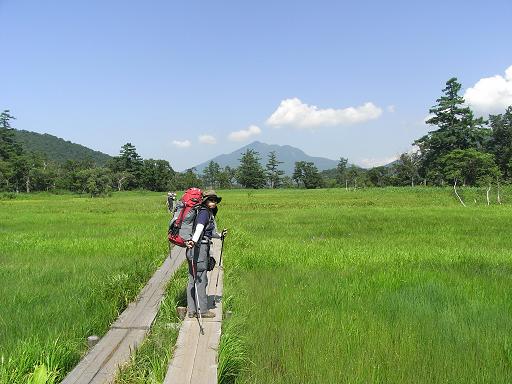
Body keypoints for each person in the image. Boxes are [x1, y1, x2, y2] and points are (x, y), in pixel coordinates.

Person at [185, 190, 227, 318]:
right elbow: (199, 228)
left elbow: (207, 232)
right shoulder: (204, 213)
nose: (213, 202)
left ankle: (191, 310)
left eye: (214, 200)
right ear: (205, 201)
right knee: (201, 279)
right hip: (200, 248)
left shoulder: (202, 212)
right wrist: (194, 241)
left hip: (193, 249)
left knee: (193, 279)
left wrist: (219, 235)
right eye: (211, 200)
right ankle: (202, 310)